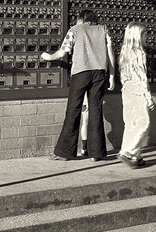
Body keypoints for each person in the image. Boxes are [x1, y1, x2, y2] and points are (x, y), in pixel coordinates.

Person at [41, 8, 115, 161]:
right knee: (96, 111)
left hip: (80, 72)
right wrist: (112, 75)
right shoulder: (103, 29)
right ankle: (97, 153)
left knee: (73, 110)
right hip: (99, 73)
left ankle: (65, 152)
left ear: (81, 18)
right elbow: (110, 53)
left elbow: (62, 52)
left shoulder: (75, 29)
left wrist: (47, 56)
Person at [116, 22, 156, 168]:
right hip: (138, 93)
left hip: (127, 92)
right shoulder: (139, 53)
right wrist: (148, 97)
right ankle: (129, 152)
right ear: (137, 36)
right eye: (144, 34)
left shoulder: (125, 53)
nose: (147, 37)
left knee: (131, 124)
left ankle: (134, 155)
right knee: (144, 123)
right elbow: (141, 77)